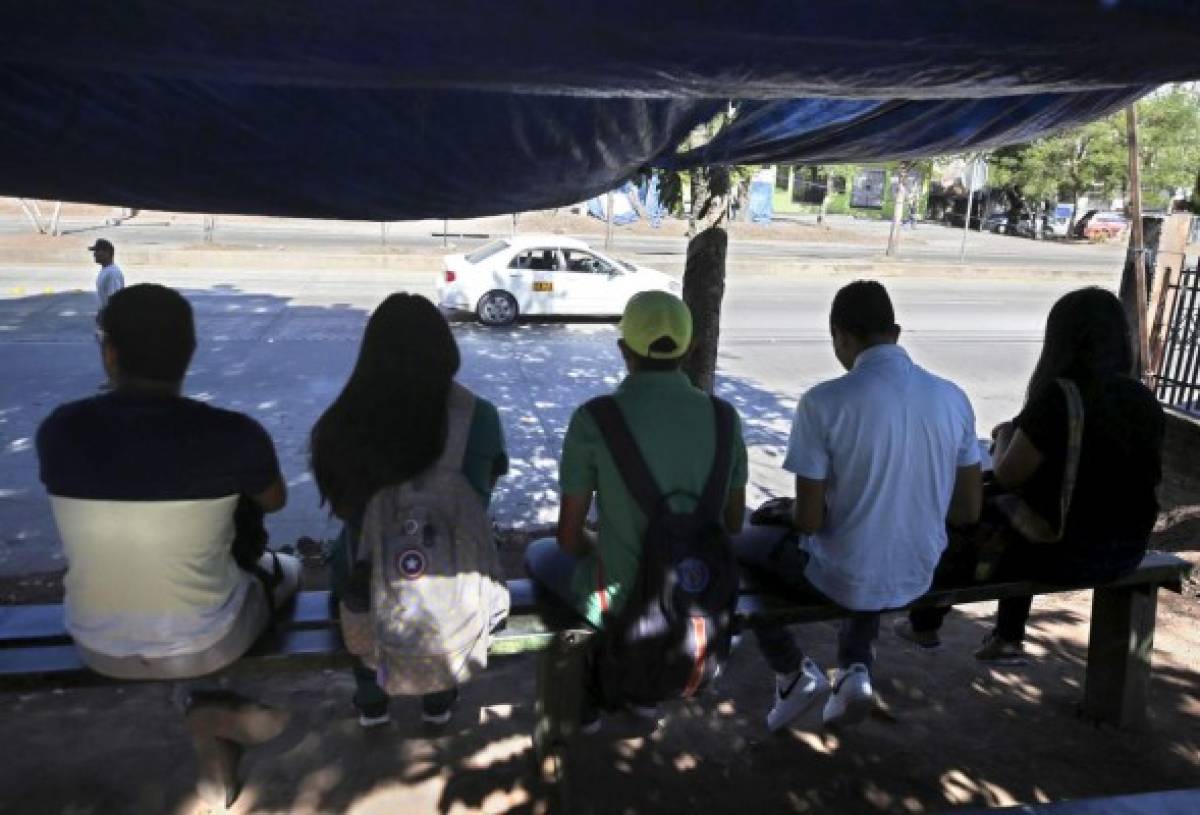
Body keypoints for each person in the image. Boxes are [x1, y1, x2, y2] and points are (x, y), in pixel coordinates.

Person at [37, 283, 300, 808]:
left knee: (198, 575)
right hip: (206, 641)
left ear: (109, 352)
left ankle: (209, 729)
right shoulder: (235, 434)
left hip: (95, 641)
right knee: (283, 570)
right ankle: (208, 707)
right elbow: (273, 502)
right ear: (190, 352)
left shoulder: (59, 431)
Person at [739, 280, 982, 732]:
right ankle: (854, 667)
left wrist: (787, 512)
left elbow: (810, 520)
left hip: (843, 578)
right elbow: (968, 509)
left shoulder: (823, 402)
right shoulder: (954, 398)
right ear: (896, 332)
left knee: (740, 544)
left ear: (841, 337)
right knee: (871, 537)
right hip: (919, 572)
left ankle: (791, 673)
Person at [898, 287, 1165, 662]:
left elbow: (1008, 473)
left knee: (971, 510)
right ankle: (1007, 637)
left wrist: (1005, 434)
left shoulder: (1060, 397)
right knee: (1029, 509)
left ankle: (925, 622)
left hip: (1064, 555)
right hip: (1126, 549)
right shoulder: (1143, 399)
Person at [524, 290, 749, 727]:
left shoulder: (594, 419)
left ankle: (592, 688)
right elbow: (733, 523)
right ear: (689, 349)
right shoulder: (726, 418)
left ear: (623, 350)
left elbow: (569, 540)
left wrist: (601, 541)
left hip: (623, 603)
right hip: (699, 593)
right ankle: (640, 683)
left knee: (540, 557)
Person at [311, 292, 509, 728]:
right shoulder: (479, 416)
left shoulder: (339, 422)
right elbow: (482, 494)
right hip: (454, 582)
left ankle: (372, 701)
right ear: (445, 350)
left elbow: (341, 506)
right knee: (443, 585)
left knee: (353, 575)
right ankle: (438, 699)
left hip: (366, 588)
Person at [89, 238, 125, 307]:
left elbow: (115, 300)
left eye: (97, 251)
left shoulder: (113, 273)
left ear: (107, 253)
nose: (94, 254)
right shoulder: (105, 270)